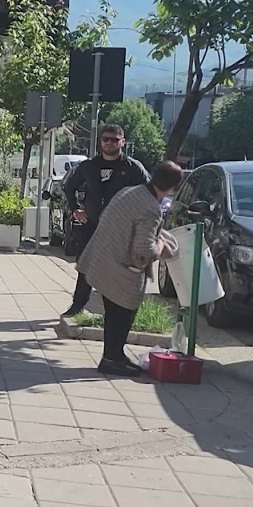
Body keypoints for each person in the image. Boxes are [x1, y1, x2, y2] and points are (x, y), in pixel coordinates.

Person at [76, 161, 184, 376]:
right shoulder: (152, 208)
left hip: (101, 258)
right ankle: (112, 359)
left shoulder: (129, 192)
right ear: (173, 188)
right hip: (121, 269)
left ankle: (114, 355)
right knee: (123, 314)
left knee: (113, 314)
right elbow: (144, 250)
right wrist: (162, 245)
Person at [60, 124, 150, 317]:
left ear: (122, 142)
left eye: (114, 140)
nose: (109, 143)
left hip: (121, 229)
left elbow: (149, 194)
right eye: (105, 139)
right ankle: (77, 306)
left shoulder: (133, 168)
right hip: (91, 225)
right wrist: (75, 209)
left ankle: (111, 312)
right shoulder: (88, 166)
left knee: (116, 270)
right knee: (86, 266)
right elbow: (68, 187)